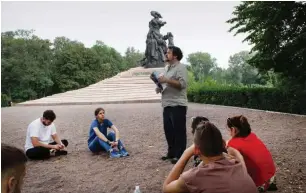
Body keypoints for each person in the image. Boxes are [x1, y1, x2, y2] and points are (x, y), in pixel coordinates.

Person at [162, 121, 258, 193]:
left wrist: (186, 153)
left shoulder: (194, 177)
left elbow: (166, 188)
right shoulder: (238, 164)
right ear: (223, 143)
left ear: (196, 150)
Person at [226, 115, 278, 192]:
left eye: (229, 130)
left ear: (233, 130)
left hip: (258, 185)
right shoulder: (252, 136)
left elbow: (228, 148)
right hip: (271, 177)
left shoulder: (233, 145)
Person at [156, 46, 188, 164]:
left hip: (178, 104)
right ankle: (171, 153)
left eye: (168, 53)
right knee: (168, 130)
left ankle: (180, 155)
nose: (166, 54)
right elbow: (165, 83)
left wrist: (166, 80)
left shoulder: (181, 67)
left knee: (179, 131)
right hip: (167, 103)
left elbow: (182, 84)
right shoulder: (166, 68)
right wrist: (159, 87)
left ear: (175, 56)